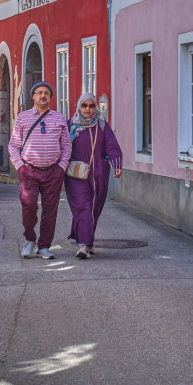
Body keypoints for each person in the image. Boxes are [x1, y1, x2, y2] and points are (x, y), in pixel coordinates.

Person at [8, 80, 71, 260]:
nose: (43, 96)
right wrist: (20, 166)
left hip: (53, 171)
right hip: (29, 170)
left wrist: (61, 166)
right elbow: (13, 145)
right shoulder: (23, 117)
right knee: (28, 204)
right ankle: (29, 239)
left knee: (50, 209)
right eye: (39, 93)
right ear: (33, 96)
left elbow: (67, 145)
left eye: (46, 93)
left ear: (50, 97)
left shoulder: (59, 118)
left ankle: (44, 246)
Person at [65, 90, 122, 259]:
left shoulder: (102, 126)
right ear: (79, 106)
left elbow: (111, 146)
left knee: (94, 207)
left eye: (91, 106)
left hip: (98, 175)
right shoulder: (70, 125)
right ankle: (83, 246)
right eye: (84, 105)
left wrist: (116, 164)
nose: (87, 109)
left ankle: (87, 242)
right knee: (83, 207)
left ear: (95, 107)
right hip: (75, 176)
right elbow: (60, 147)